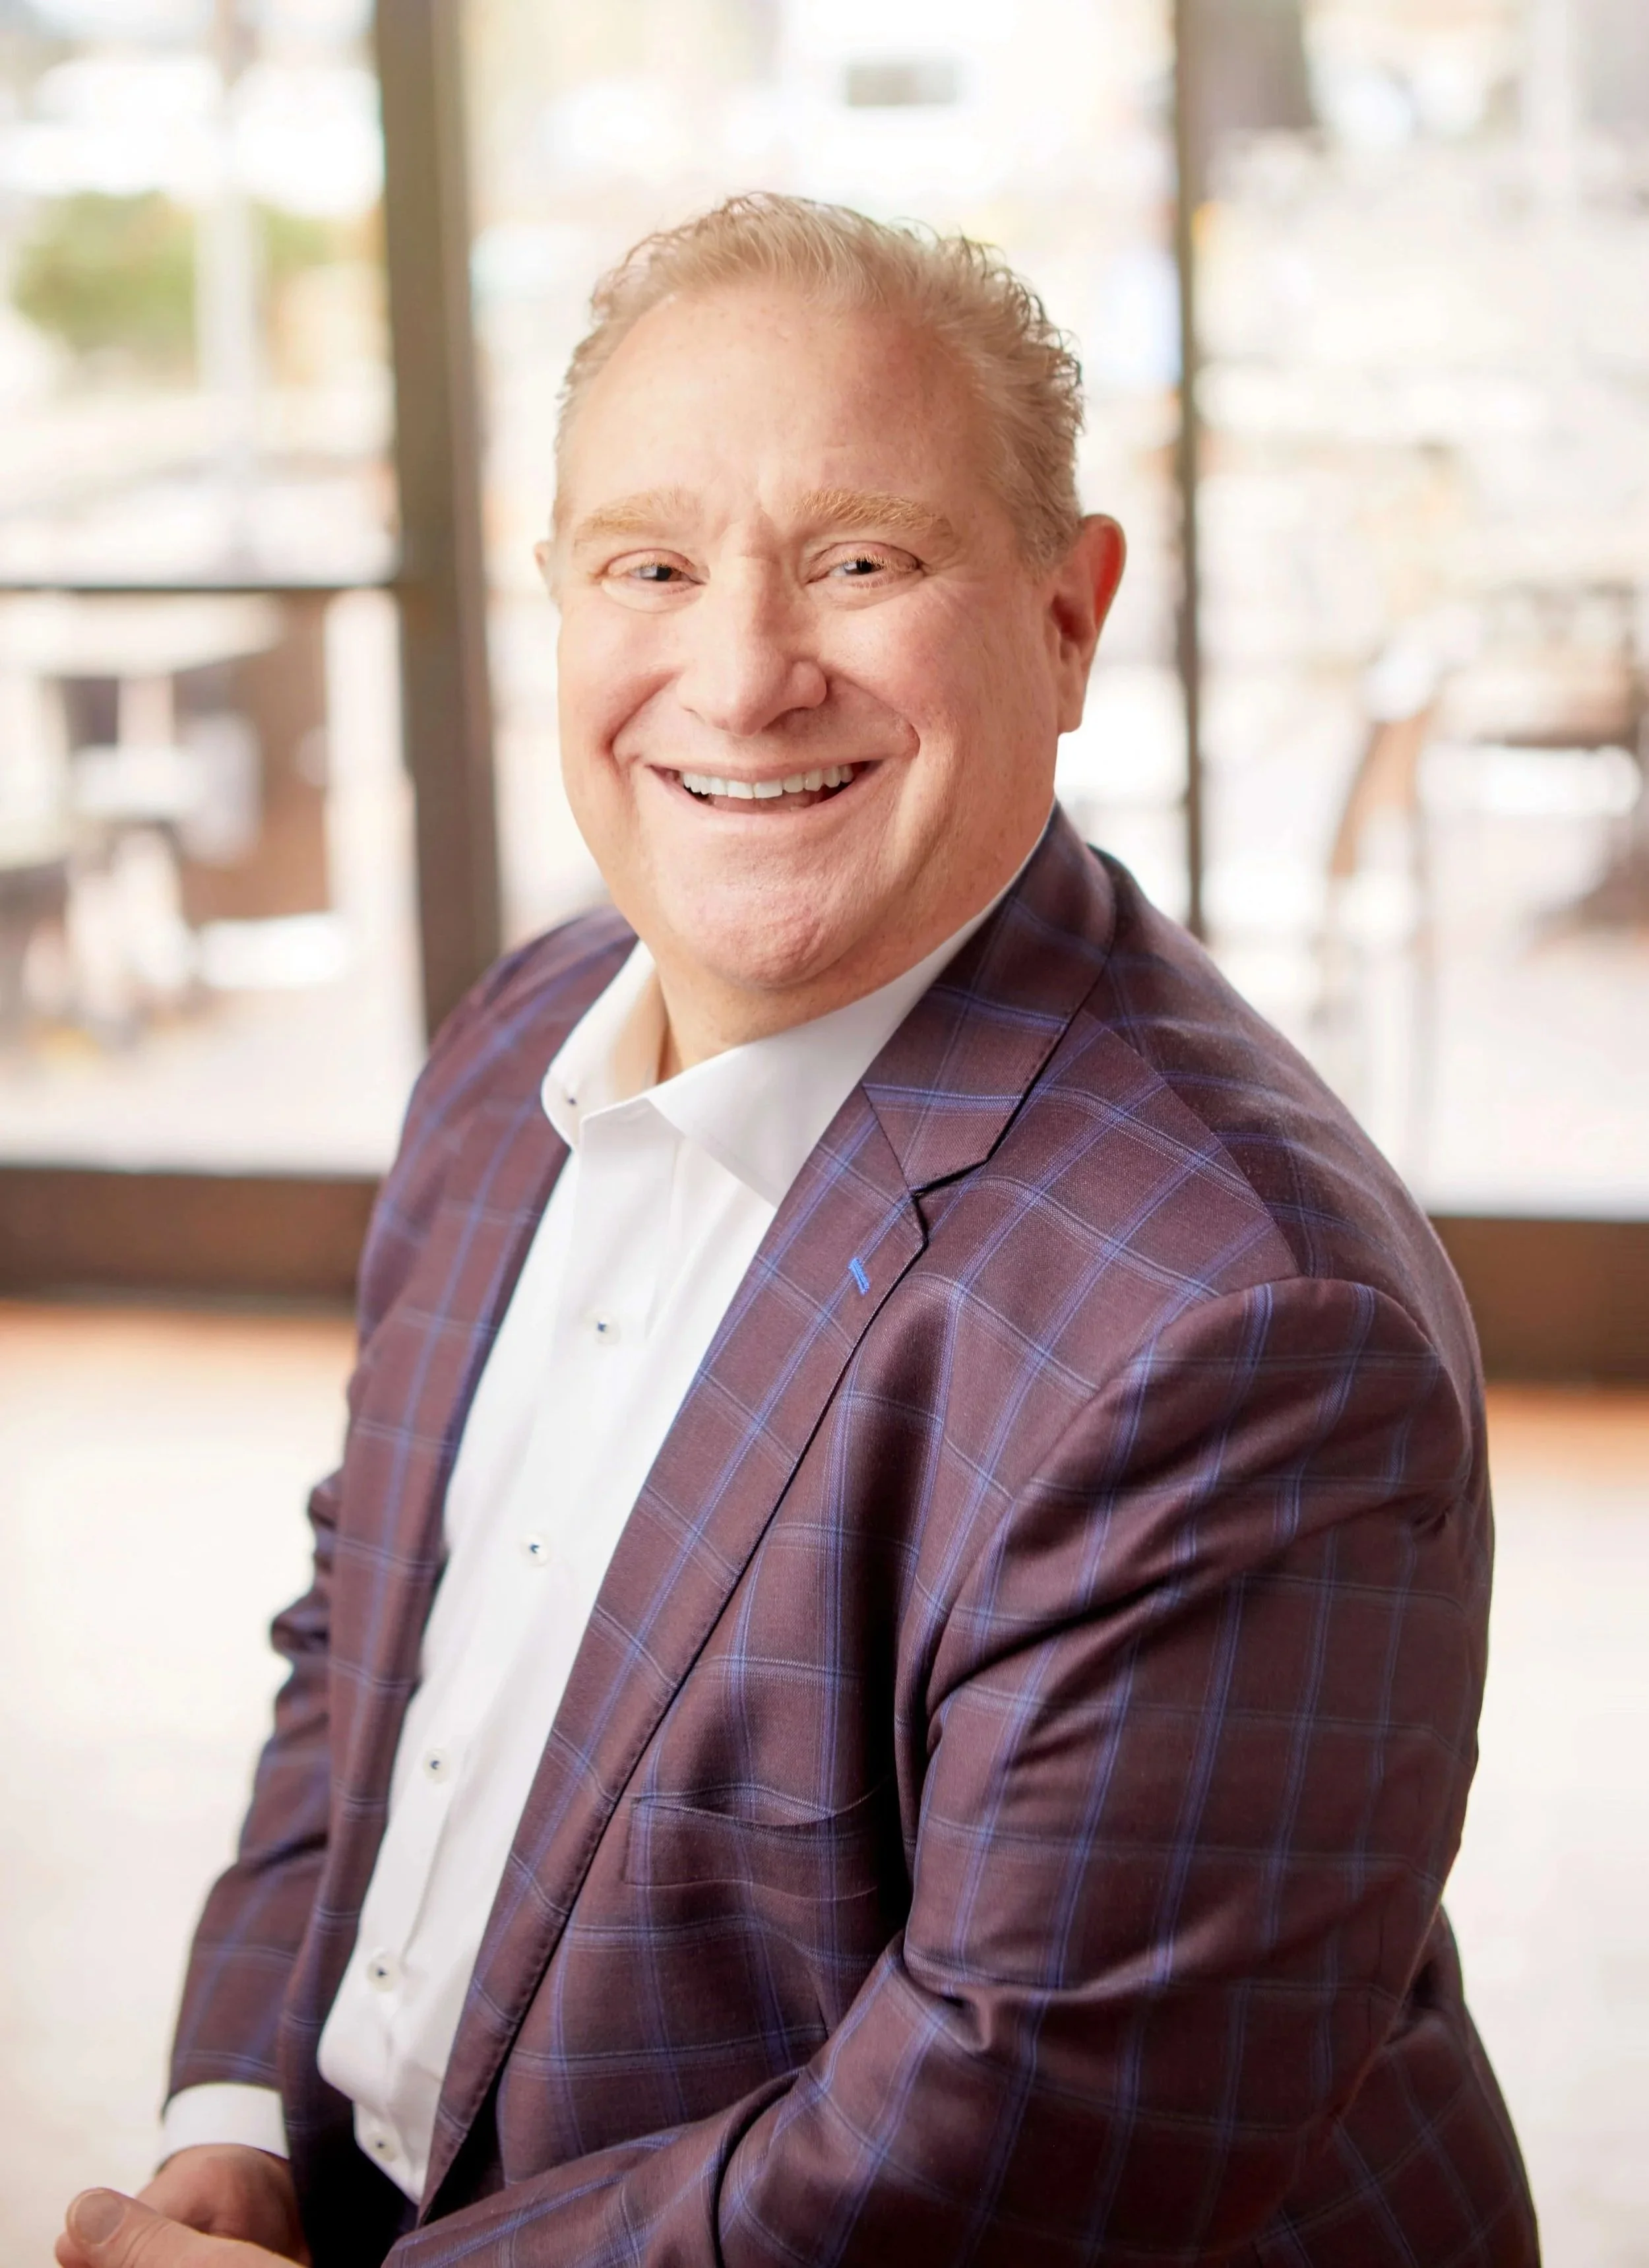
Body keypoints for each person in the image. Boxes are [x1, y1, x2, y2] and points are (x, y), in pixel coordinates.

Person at [58, 194, 1538, 2268]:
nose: (741, 675)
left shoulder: (1238, 1322)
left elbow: (1004, 2143)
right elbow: (369, 1636)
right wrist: (240, 2113)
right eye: (647, 566)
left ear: (1066, 616)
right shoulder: (516, 1047)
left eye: (861, 559)